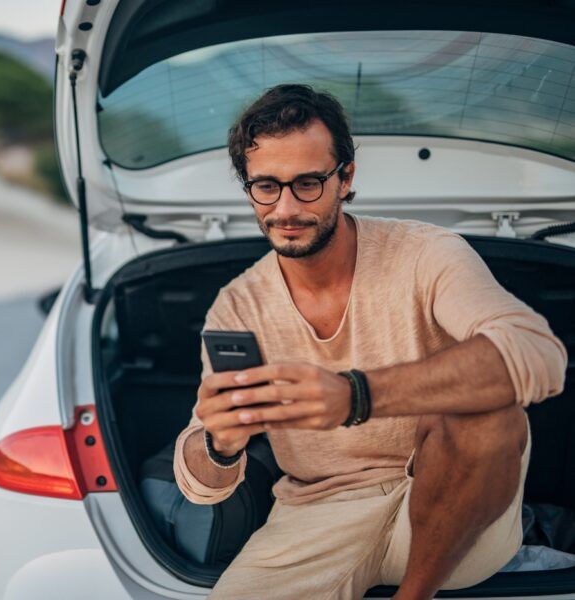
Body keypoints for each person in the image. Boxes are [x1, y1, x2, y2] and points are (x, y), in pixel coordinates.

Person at [173, 84, 568, 599]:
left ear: (346, 178)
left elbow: (538, 354)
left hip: (455, 513)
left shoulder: (427, 254)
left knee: (485, 407)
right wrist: (220, 443)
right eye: (266, 186)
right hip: (315, 516)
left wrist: (356, 395)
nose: (286, 208)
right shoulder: (238, 304)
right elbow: (204, 488)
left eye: (309, 183)